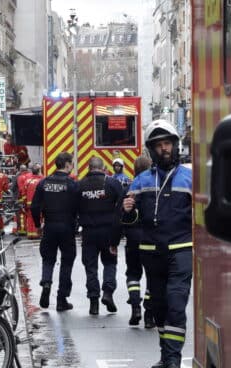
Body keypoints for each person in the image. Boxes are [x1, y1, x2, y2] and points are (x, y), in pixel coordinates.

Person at [122, 120, 192, 368]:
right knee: (159, 307)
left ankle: (172, 361)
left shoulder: (190, 178)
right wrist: (128, 210)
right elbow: (131, 220)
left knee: (175, 303)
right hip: (151, 253)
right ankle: (165, 355)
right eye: (159, 145)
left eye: (168, 144)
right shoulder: (140, 180)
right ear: (152, 150)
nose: (165, 149)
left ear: (175, 146)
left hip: (181, 251)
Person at [30, 152, 79, 311]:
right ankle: (61, 299)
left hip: (49, 225)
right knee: (67, 261)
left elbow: (34, 206)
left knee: (48, 258)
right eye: (71, 163)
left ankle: (46, 283)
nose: (72, 166)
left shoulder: (44, 182)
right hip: (67, 227)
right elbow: (79, 207)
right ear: (66, 164)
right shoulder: (72, 185)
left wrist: (38, 224)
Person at [77, 156, 125, 315]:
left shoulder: (80, 184)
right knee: (110, 263)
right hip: (108, 231)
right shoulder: (112, 183)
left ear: (89, 167)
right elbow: (122, 205)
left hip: (89, 232)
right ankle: (108, 292)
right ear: (103, 168)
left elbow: (74, 208)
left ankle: (93, 302)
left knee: (91, 267)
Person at [125, 156, 154, 327]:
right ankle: (149, 315)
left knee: (133, 274)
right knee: (152, 276)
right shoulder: (155, 187)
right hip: (151, 239)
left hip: (133, 239)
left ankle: (135, 307)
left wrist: (113, 241)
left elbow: (121, 215)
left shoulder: (131, 187)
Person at [22, 163, 44, 239]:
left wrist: (24, 203)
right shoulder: (42, 180)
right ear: (39, 171)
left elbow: (23, 194)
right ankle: (37, 234)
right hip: (39, 204)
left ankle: (30, 234)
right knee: (38, 218)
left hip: (29, 204)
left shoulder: (27, 181)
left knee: (30, 219)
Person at [13, 165, 31, 235]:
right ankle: (27, 229)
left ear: (20, 170)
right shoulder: (30, 175)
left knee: (19, 213)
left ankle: (21, 230)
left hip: (20, 197)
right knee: (27, 213)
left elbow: (13, 187)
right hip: (28, 197)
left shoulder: (18, 176)